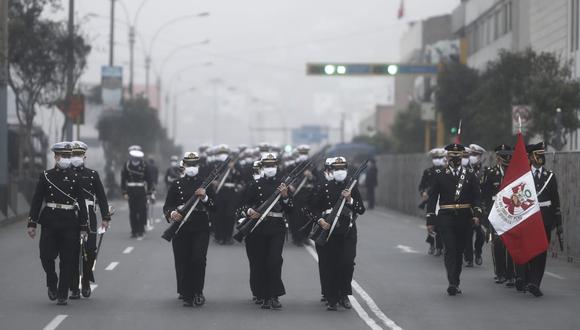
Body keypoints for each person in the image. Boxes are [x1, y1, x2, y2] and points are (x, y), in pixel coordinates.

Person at [26, 142, 89, 305]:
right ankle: (51, 281)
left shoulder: (76, 178)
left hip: (69, 221)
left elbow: (82, 203)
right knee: (45, 256)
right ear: (55, 157)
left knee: (68, 260)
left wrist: (83, 226)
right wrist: (32, 223)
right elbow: (37, 200)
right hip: (50, 220)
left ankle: (62, 294)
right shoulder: (46, 176)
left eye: (69, 156)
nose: (66, 159)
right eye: (63, 156)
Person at [426, 144, 482, 296]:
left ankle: (456, 280)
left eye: (458, 156)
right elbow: (432, 199)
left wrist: (477, 214)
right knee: (450, 249)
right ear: (448, 157)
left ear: (461, 157)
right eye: (452, 156)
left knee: (458, 252)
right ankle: (452, 282)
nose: (455, 159)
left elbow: (477, 196)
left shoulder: (470, 175)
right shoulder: (439, 174)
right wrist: (430, 219)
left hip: (465, 217)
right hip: (446, 216)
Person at [310, 156, 365, 311]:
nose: (340, 171)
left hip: (347, 231)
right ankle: (332, 297)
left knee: (347, 263)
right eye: (337, 169)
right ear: (331, 171)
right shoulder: (324, 187)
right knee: (331, 265)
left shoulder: (352, 188)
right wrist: (320, 220)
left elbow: (361, 209)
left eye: (342, 169)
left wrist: (350, 200)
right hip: (329, 231)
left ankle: (344, 294)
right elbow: (310, 208)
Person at [239, 153, 293, 309]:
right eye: (267, 166)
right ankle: (264, 296)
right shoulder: (254, 185)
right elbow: (242, 206)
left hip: (276, 227)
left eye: (273, 165)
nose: (271, 168)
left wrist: (285, 197)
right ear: (262, 168)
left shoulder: (282, 185)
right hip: (256, 228)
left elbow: (291, 209)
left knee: (274, 261)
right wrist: (249, 211)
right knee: (260, 263)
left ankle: (274, 295)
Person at [164, 152, 216, 307]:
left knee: (199, 259)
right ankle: (187, 294)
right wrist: (172, 213)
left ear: (198, 166)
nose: (192, 167)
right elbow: (167, 205)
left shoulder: (205, 184)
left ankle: (198, 292)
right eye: (189, 164)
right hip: (181, 227)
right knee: (183, 261)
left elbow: (215, 207)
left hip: (200, 226)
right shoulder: (176, 184)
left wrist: (205, 198)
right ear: (184, 166)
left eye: (194, 164)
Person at [516, 142, 563, 297]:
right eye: (537, 154)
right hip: (528, 220)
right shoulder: (524, 176)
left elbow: (555, 200)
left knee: (541, 251)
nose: (540, 157)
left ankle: (535, 283)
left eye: (542, 154)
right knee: (529, 250)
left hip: (545, 220)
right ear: (530, 157)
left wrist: (558, 222)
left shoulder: (550, 176)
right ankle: (526, 278)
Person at [68, 141, 111, 299]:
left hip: (89, 215)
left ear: (84, 156)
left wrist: (105, 217)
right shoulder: (65, 175)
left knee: (90, 250)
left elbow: (101, 197)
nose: (76, 157)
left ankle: (85, 280)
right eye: (73, 154)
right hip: (71, 216)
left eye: (79, 154)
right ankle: (74, 287)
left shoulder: (92, 175)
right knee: (72, 252)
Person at [481, 144, 516, 286]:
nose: (506, 164)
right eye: (503, 160)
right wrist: (486, 215)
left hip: (511, 213)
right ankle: (500, 273)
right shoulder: (490, 173)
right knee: (498, 244)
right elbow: (485, 195)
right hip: (495, 213)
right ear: (498, 159)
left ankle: (511, 274)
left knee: (510, 244)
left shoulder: (514, 173)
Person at [121, 147, 154, 238]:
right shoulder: (127, 165)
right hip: (131, 190)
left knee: (142, 210)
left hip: (141, 190)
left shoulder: (144, 165)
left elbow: (149, 179)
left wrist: (149, 192)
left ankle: (141, 229)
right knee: (133, 212)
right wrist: (124, 192)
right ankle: (134, 230)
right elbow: (123, 179)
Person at [419, 148, 445, 256]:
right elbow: (421, 186)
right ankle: (431, 244)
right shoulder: (428, 172)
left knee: (439, 225)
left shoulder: (445, 171)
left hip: (442, 200)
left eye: (439, 158)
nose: (437, 160)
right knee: (430, 223)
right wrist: (423, 193)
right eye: (435, 158)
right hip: (430, 200)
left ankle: (439, 246)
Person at [464, 144, 486, 267]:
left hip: (480, 206)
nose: (473, 157)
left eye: (476, 155)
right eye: (471, 154)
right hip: (467, 205)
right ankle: (469, 258)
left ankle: (478, 252)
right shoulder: (464, 170)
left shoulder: (484, 171)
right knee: (467, 233)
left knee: (481, 234)